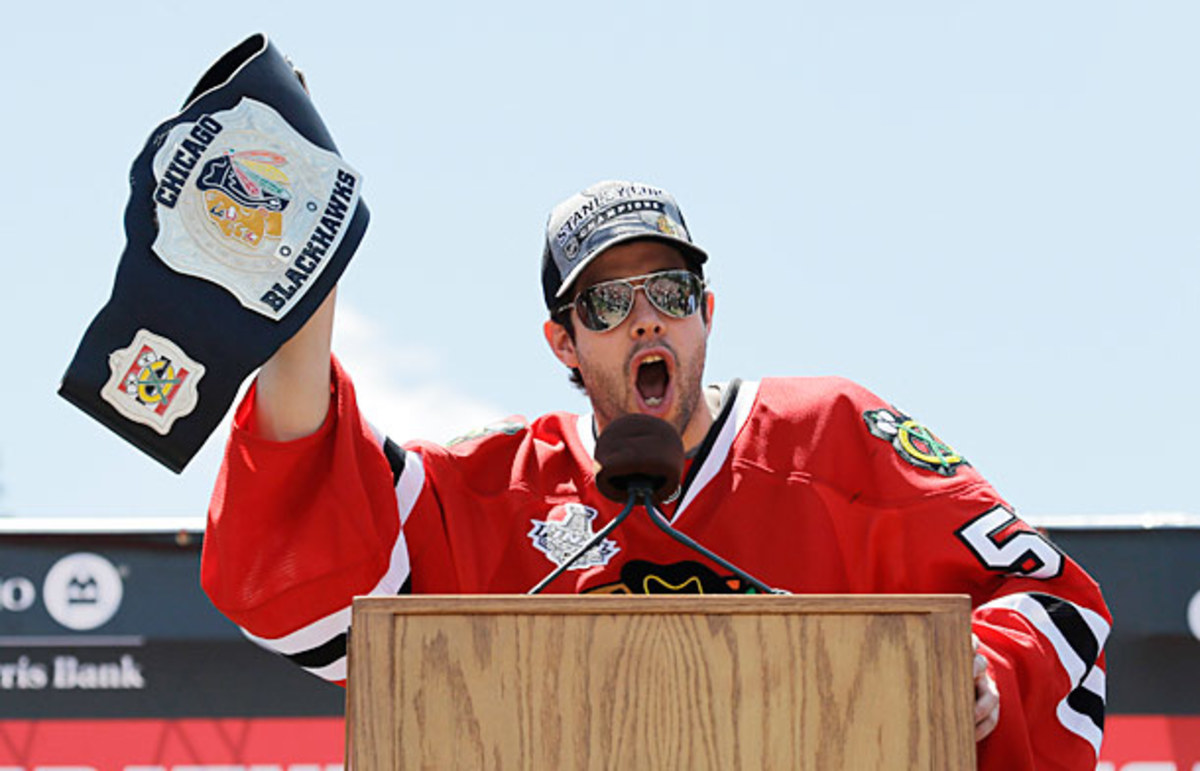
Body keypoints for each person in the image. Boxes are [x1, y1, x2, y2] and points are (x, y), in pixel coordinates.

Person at [202, 180, 1110, 770]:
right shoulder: (493, 482)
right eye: (607, 302)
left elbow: (1057, 603)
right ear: (563, 340)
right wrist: (298, 293)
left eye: (670, 293)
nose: (646, 321)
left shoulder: (833, 438)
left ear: (706, 314)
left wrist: (979, 677)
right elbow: (309, 530)